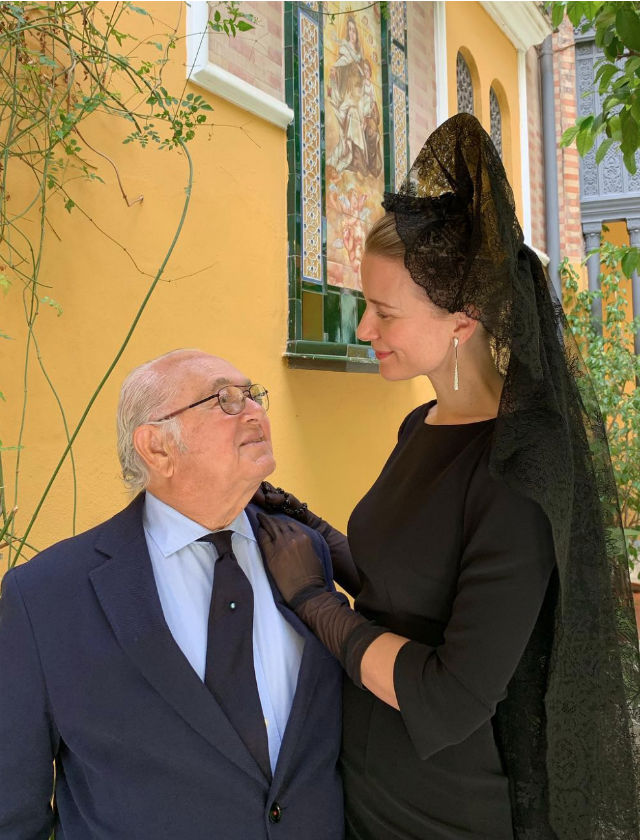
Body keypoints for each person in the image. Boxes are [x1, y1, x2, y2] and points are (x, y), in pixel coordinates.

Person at [255, 114, 640, 840]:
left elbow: (451, 695)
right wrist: (309, 528)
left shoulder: (520, 472)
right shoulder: (421, 426)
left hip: (442, 814)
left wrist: (314, 600)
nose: (364, 330)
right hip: (365, 783)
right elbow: (407, 584)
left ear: (463, 320)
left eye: (384, 312)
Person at [0, 349, 344, 839]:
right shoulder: (45, 596)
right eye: (224, 399)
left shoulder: (302, 551)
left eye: (252, 395)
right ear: (156, 447)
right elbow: (12, 811)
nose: (253, 411)